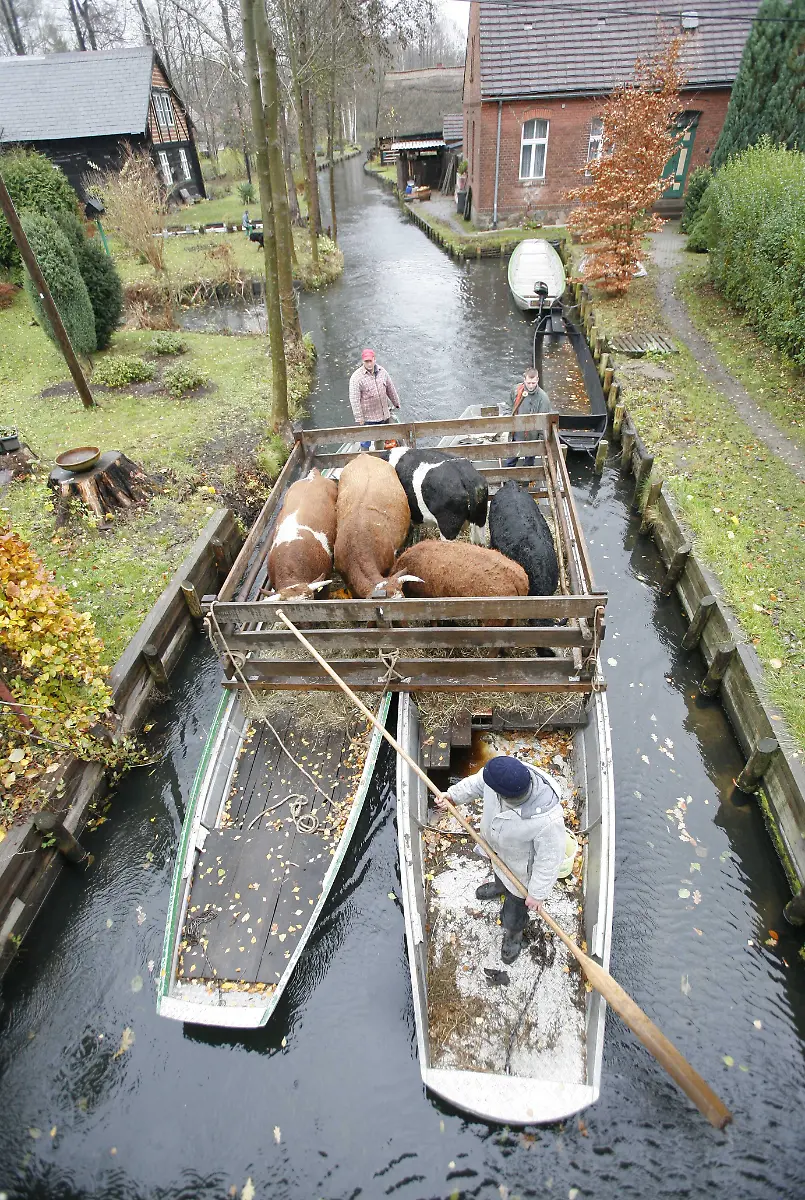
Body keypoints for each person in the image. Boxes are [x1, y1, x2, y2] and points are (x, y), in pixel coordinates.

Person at [435, 755, 566, 964]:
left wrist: (537, 894)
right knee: (498, 874)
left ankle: (514, 936)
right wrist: (452, 796)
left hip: (521, 875)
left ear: (505, 795)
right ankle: (499, 887)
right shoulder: (501, 777)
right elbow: (477, 783)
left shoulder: (547, 821)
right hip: (497, 853)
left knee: (514, 912)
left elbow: (549, 861)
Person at [348, 349, 401, 450]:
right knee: (365, 441)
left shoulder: (382, 372)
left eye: (370, 361)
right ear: (363, 362)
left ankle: (379, 456)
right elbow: (354, 399)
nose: (368, 364)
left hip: (382, 414)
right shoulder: (356, 378)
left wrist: (396, 403)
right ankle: (365, 458)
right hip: (368, 417)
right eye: (366, 361)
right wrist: (359, 417)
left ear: (374, 359)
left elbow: (390, 389)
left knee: (380, 438)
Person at [505, 366, 553, 467]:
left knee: (529, 463)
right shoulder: (516, 390)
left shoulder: (543, 399)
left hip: (532, 436)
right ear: (524, 379)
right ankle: (507, 479)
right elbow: (508, 406)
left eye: (533, 383)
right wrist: (507, 422)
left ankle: (527, 482)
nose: (531, 386)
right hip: (517, 433)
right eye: (528, 383)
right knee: (511, 460)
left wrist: (540, 441)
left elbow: (544, 422)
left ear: (537, 380)